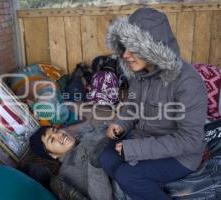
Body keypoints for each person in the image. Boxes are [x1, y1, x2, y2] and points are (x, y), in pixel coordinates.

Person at [99, 7, 207, 200]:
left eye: (134, 48)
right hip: (145, 138)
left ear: (154, 47)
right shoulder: (139, 74)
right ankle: (144, 187)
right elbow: (132, 107)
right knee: (106, 158)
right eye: (124, 47)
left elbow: (190, 139)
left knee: (128, 175)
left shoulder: (188, 82)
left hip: (181, 155)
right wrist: (121, 124)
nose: (125, 55)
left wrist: (135, 149)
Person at [29, 122, 113, 200]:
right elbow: (101, 198)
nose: (59, 135)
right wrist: (94, 165)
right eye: (52, 140)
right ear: (52, 155)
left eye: (56, 130)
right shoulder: (68, 173)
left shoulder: (86, 134)